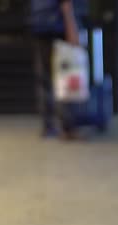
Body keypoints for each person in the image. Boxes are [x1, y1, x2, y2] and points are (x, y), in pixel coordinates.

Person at [30, 0, 80, 139]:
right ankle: (67, 127)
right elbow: (66, 5)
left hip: (40, 30)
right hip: (57, 31)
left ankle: (49, 127)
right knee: (64, 79)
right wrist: (72, 32)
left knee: (45, 80)